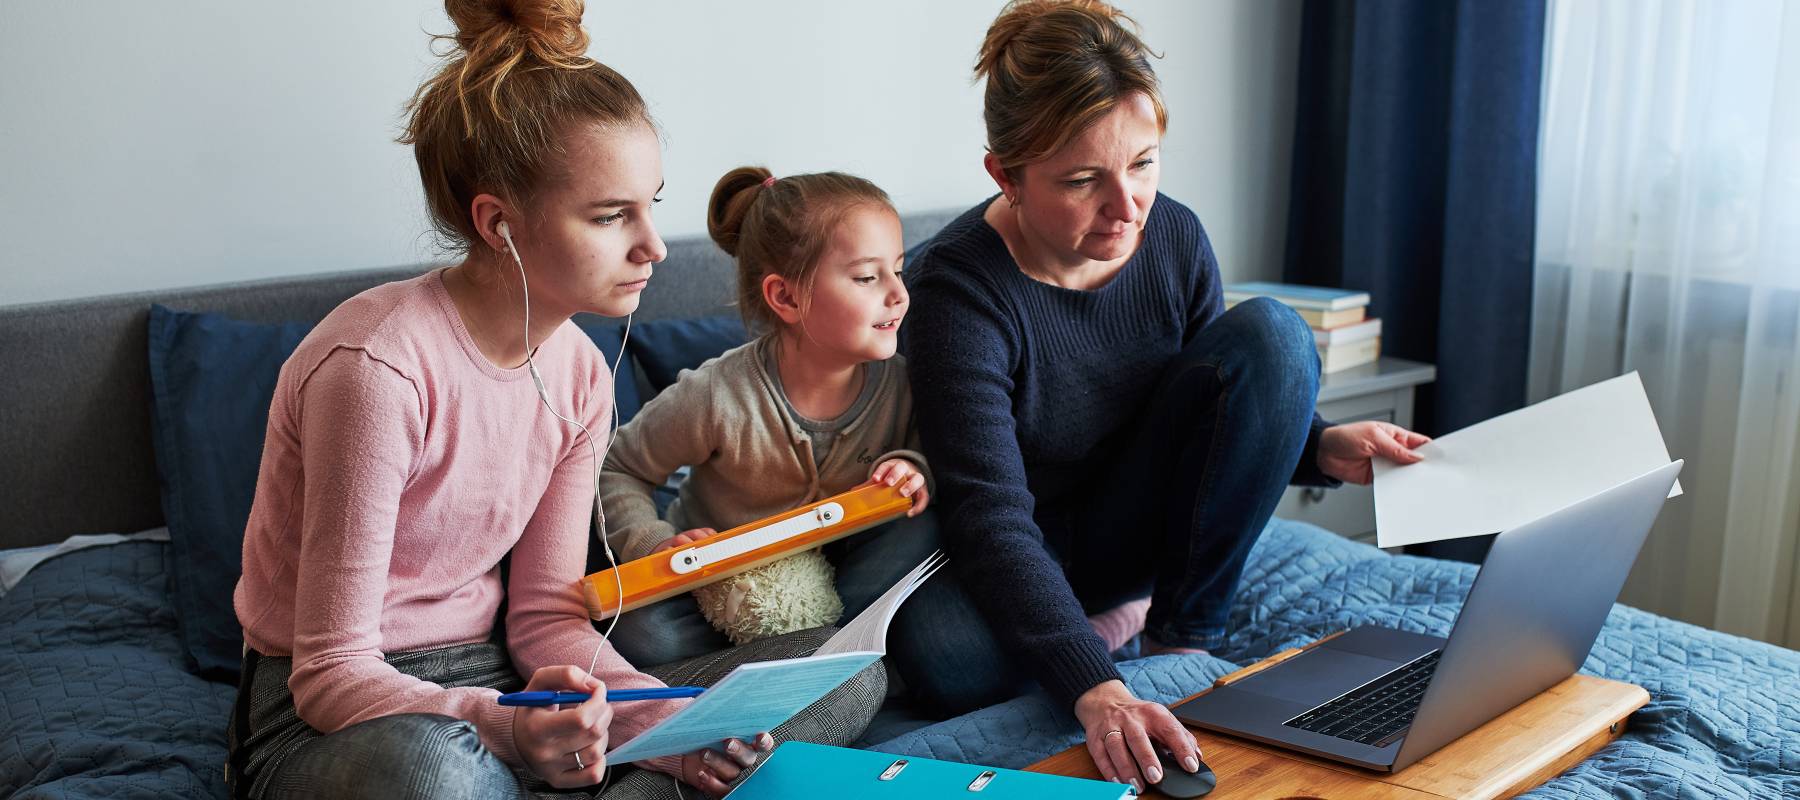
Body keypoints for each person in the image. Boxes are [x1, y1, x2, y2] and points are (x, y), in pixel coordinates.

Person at [225, 2, 879, 798]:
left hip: (509, 674)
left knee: (843, 677)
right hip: (336, 716)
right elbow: (329, 675)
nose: (655, 247)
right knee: (438, 771)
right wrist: (504, 727)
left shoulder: (576, 370)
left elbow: (543, 619)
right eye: (611, 217)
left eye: (652, 206)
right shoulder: (376, 369)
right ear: (499, 225)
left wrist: (659, 731)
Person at [897, 0, 1432, 794]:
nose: (1127, 205)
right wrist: (1095, 688)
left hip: (1127, 531)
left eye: (1143, 163)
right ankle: (1106, 634)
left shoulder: (1172, 235)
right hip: (1021, 541)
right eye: (1083, 180)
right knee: (946, 658)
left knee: (1276, 335)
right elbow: (989, 515)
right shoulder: (956, 291)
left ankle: (1183, 639)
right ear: (1005, 175)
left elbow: (1213, 397)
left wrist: (1318, 446)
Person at [600, 167, 935, 663]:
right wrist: (656, 544)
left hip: (842, 572)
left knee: (924, 527)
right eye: (867, 277)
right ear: (786, 296)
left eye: (899, 270)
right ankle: (818, 653)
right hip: (721, 587)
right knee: (643, 636)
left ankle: (808, 646)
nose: (898, 294)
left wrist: (912, 468)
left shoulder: (903, 383)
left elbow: (933, 452)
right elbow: (617, 468)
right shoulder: (717, 394)